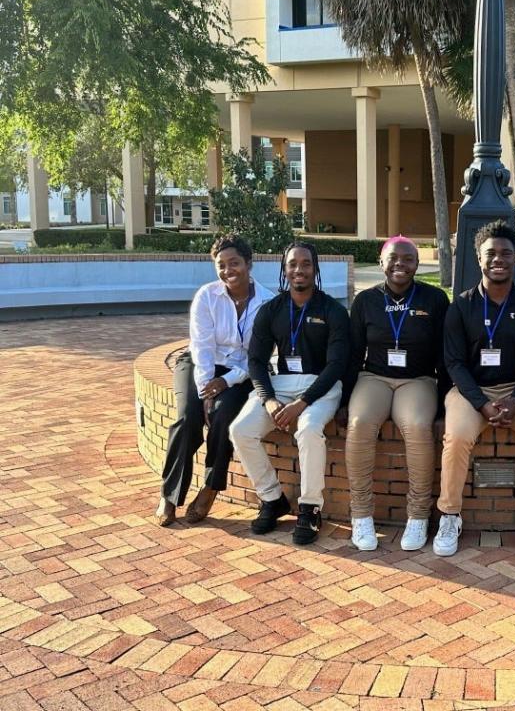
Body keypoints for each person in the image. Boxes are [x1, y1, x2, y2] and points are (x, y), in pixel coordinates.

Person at [433, 220, 515, 558]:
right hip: (469, 391)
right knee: (457, 436)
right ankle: (449, 514)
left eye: (506, 253)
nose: (499, 259)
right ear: (479, 258)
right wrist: (481, 404)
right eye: (491, 253)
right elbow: (454, 363)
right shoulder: (460, 306)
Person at [229, 241, 350, 545]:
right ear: (285, 269)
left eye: (306, 264)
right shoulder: (272, 310)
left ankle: (310, 509)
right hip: (281, 385)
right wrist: (268, 400)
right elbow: (256, 361)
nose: (299, 270)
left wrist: (302, 403)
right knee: (240, 430)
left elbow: (337, 364)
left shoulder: (333, 309)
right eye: (293, 264)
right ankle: (272, 499)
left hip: (321, 385)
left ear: (315, 268)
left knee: (308, 430)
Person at [155, 235, 272, 526]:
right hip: (198, 363)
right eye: (221, 265)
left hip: (240, 372)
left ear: (248, 263)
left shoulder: (268, 302)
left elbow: (257, 356)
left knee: (224, 416)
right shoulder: (207, 296)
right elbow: (202, 347)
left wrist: (227, 382)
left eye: (234, 263)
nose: (228, 270)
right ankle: (170, 495)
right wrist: (207, 389)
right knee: (187, 418)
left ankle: (210, 487)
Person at [343, 236, 449, 552]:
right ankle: (361, 514)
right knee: (360, 422)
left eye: (407, 258)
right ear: (382, 262)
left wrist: (443, 406)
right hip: (374, 377)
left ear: (417, 264)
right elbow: (353, 353)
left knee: (417, 426)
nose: (400, 264)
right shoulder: (366, 301)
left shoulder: (434, 299)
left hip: (417, 380)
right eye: (393, 258)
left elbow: (445, 355)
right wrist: (344, 399)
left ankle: (417, 516)